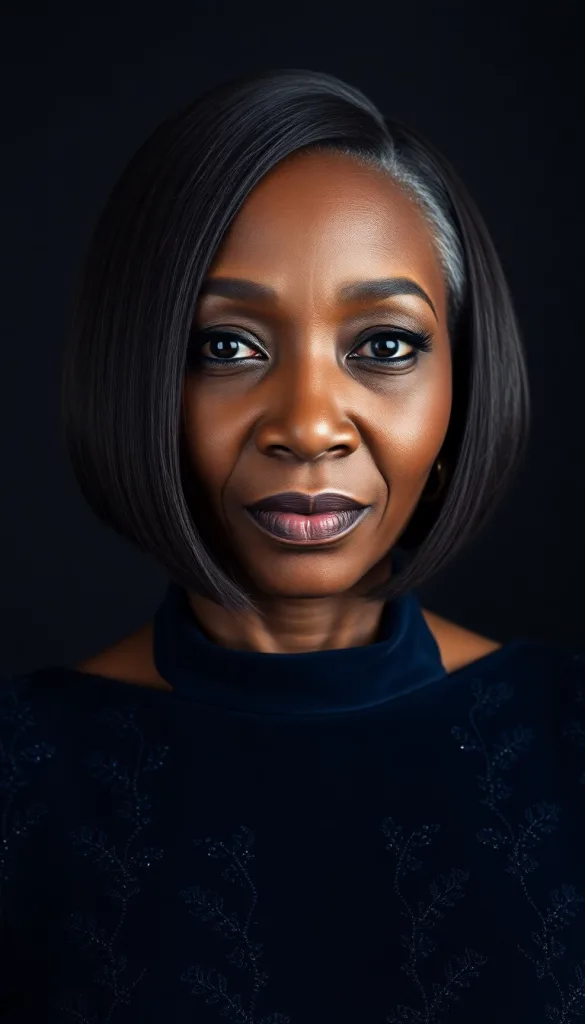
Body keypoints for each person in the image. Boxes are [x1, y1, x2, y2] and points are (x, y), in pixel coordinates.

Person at [0, 68, 583, 1024]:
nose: (309, 426)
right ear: (138, 374)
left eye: (384, 345)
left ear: (464, 383)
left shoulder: (567, 742)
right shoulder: (22, 778)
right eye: (227, 346)